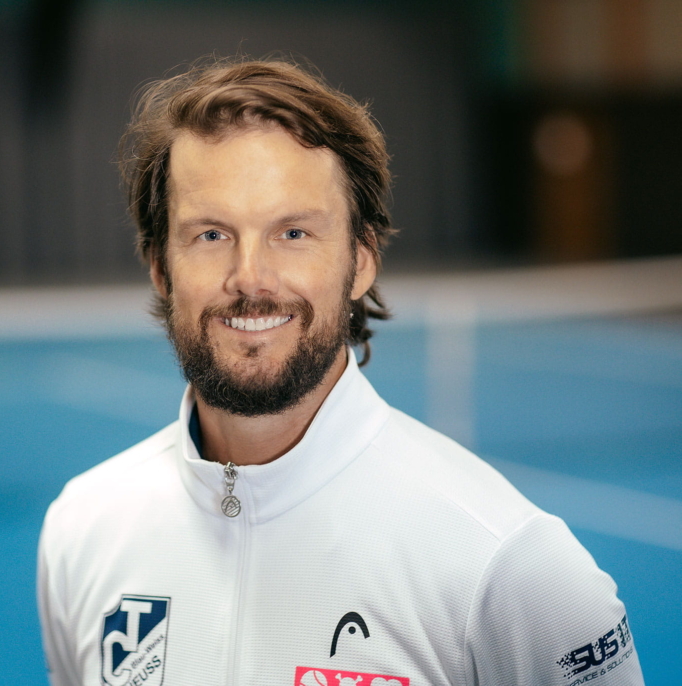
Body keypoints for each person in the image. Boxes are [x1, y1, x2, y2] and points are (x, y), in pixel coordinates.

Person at [37, 57, 643, 686]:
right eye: (211, 235)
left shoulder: (512, 567)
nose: (250, 278)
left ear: (361, 262)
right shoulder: (84, 528)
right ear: (162, 269)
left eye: (293, 233)